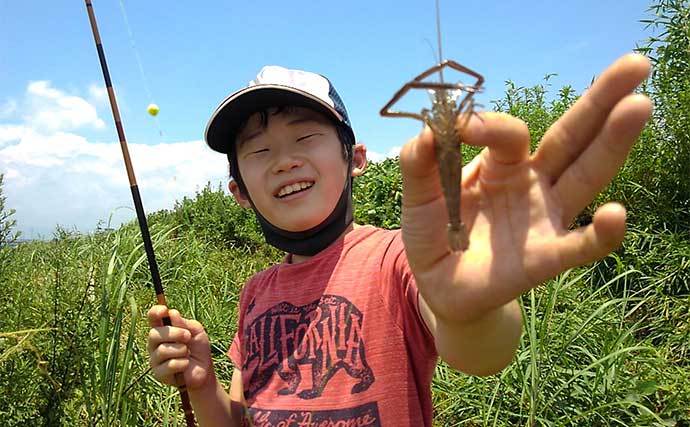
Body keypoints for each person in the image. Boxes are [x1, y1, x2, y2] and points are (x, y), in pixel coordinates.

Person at [147, 54, 652, 426]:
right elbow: (241, 418)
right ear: (238, 191)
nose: (284, 160)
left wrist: (468, 308)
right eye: (258, 151)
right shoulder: (255, 293)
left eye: (305, 138)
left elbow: (483, 355)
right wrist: (205, 384)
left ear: (356, 158)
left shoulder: (397, 257)